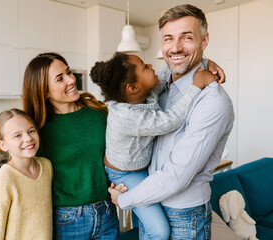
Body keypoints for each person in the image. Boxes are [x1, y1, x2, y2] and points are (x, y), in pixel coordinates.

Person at [108, 4, 235, 240]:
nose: (175, 47)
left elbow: (176, 176)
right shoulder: (161, 82)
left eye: (187, 37)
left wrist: (124, 199)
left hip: (184, 216)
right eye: (168, 39)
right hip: (150, 201)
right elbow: (176, 63)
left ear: (204, 40)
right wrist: (205, 63)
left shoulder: (213, 101)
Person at [0, 52, 120, 239]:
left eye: (69, 73)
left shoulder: (99, 112)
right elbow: (16, 167)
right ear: (44, 91)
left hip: (107, 212)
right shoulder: (36, 128)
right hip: (66, 221)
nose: (71, 80)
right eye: (60, 78)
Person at [90, 52, 219, 240]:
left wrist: (207, 61)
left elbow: (168, 71)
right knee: (160, 231)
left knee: (148, 225)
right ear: (133, 87)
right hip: (125, 175)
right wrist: (197, 85)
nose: (151, 66)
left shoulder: (145, 92)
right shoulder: (127, 116)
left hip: (142, 170)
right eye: (144, 66)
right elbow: (171, 120)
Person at [0, 108, 53, 239]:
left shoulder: (47, 166)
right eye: (18, 135)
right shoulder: (5, 177)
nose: (28, 138)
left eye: (31, 131)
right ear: (3, 145)